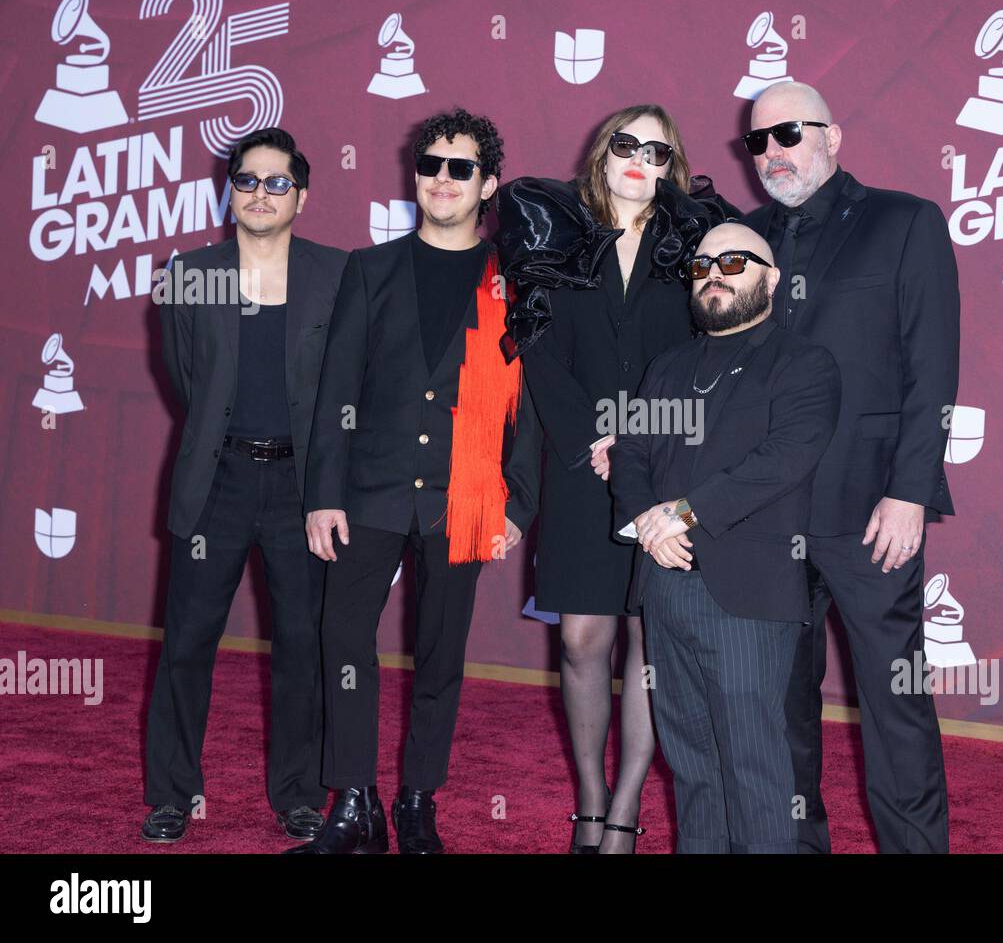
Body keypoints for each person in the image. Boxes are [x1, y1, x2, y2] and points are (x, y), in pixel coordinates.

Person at [286, 108, 540, 855]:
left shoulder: (515, 281)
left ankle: (418, 802)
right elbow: (338, 389)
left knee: (440, 654)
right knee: (342, 638)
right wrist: (324, 493)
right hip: (369, 489)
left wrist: (516, 502)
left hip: (464, 496)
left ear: (487, 183)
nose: (442, 179)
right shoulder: (371, 268)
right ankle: (354, 803)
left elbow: (535, 405)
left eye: (460, 168)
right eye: (430, 164)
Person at [495, 105, 736, 853]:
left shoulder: (692, 249)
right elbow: (534, 348)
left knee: (647, 643)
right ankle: (590, 799)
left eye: (657, 152)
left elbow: (710, 354)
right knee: (581, 640)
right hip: (578, 466)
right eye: (626, 145)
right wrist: (594, 434)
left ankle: (626, 808)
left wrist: (640, 435)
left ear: (672, 168)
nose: (639, 160)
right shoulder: (554, 239)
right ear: (603, 155)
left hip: (662, 467)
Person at [740, 82, 960, 853]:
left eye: (789, 133)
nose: (772, 152)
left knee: (894, 702)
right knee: (778, 705)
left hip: (870, 511)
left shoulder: (905, 222)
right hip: (764, 517)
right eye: (758, 141)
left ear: (834, 136)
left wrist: (908, 492)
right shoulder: (741, 236)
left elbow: (932, 371)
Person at [143, 128, 347, 844]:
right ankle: (172, 793)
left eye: (277, 182)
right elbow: (187, 379)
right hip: (217, 481)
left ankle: (296, 792)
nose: (260, 193)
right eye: (247, 180)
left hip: (304, 487)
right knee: (188, 644)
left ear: (303, 197)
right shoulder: (188, 272)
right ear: (230, 191)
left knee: (301, 644)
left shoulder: (338, 274)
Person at [609, 222, 840, 853]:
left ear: (772, 279)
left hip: (749, 596)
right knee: (689, 767)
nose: (714, 271)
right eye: (703, 262)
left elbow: (784, 458)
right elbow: (630, 453)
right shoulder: (670, 365)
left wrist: (680, 513)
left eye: (734, 261)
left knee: (755, 769)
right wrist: (648, 525)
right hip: (664, 582)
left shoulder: (804, 363)